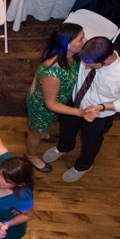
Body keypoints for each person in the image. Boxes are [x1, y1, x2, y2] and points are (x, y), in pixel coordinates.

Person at [43, 36, 120, 182]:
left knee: (91, 142)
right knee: (66, 129)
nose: (85, 66)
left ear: (105, 59)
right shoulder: (89, 54)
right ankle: (64, 147)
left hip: (98, 116)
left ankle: (83, 166)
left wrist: (102, 107)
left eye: (90, 65)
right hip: (74, 103)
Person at [24, 23, 84, 171]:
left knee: (42, 129)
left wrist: (35, 82)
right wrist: (79, 112)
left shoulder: (71, 56)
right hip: (43, 109)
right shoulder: (53, 73)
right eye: (81, 39)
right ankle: (30, 155)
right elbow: (50, 104)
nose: (85, 40)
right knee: (35, 132)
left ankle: (43, 133)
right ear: (67, 45)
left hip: (54, 101)